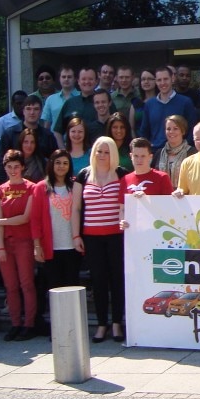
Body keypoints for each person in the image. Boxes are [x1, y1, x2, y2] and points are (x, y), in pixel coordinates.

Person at [72, 137, 127, 343]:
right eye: (98, 151)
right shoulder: (83, 175)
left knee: (117, 280)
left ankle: (116, 324)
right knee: (98, 281)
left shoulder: (121, 174)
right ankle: (102, 324)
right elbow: (76, 208)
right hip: (92, 237)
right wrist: (76, 235)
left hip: (116, 237)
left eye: (106, 151)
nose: (102, 155)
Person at [0, 150, 38, 341]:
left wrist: (2, 221)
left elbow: (25, 218)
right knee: (10, 286)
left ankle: (29, 323)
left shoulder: (31, 188)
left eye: (16, 167)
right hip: (5, 243)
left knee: (26, 284)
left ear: (22, 167)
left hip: (24, 241)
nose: (13, 170)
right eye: (9, 167)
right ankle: (15, 323)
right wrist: (0, 246)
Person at [31, 150, 82, 293]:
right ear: (51, 164)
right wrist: (37, 246)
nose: (61, 166)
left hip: (72, 246)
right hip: (51, 247)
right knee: (55, 289)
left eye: (65, 163)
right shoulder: (41, 187)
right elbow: (35, 219)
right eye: (58, 163)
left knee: (73, 288)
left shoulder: (75, 185)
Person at [139, 65, 197, 151]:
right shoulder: (149, 104)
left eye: (165, 79)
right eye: (159, 80)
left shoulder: (185, 102)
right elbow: (144, 131)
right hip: (156, 153)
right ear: (156, 82)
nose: (162, 83)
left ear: (172, 79)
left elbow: (192, 129)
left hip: (180, 152)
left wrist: (184, 149)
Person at [157, 115, 197, 188]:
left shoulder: (193, 152)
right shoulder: (159, 153)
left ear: (183, 131)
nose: (171, 132)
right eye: (168, 129)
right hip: (161, 197)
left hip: (185, 196)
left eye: (175, 129)